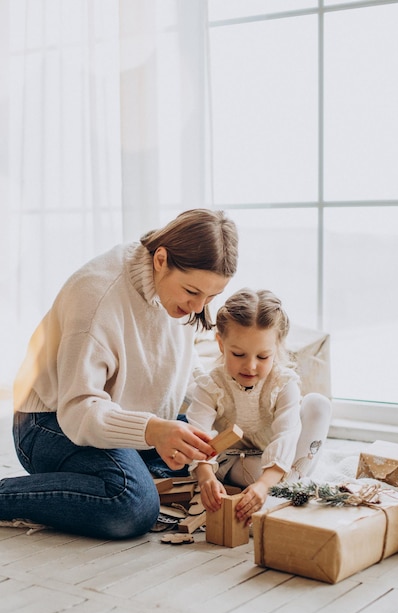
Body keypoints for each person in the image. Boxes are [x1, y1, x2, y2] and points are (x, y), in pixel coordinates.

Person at [1, 208, 238, 539]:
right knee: (132, 503)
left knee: (211, 440)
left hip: (123, 415)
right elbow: (78, 409)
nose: (199, 308)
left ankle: (132, 466)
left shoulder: (179, 294)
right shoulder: (96, 296)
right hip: (50, 422)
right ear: (161, 260)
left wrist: (230, 399)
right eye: (193, 292)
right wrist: (153, 431)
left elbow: (183, 368)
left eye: (212, 296)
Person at [187, 288, 332, 525]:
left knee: (318, 404)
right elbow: (197, 434)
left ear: (277, 349)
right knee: (254, 474)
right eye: (238, 354)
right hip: (236, 460)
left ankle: (287, 482)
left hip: (276, 459)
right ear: (221, 344)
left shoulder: (283, 382)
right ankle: (287, 486)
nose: (251, 366)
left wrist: (265, 485)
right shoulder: (211, 384)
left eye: (263, 357)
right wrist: (205, 478)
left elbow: (287, 435)